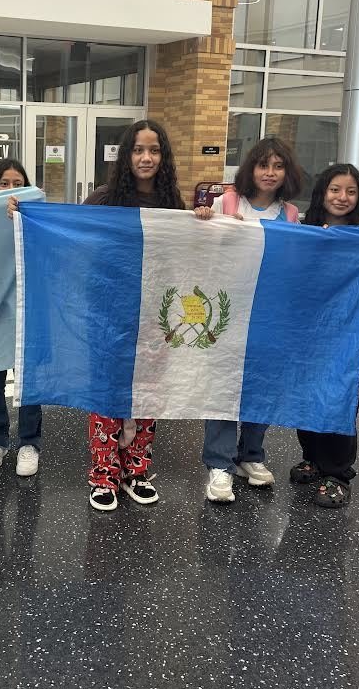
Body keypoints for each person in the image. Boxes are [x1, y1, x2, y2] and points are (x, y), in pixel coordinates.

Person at [193, 137, 303, 505]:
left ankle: (251, 455)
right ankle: (219, 463)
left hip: (269, 313)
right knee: (223, 386)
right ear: (250, 169)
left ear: (286, 172)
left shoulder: (290, 214)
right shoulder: (227, 202)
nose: (269, 173)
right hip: (228, 310)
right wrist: (210, 224)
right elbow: (198, 250)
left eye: (277, 166)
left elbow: (293, 264)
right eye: (262, 165)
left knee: (261, 385)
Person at [84, 120, 185, 511]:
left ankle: (136, 471)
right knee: (108, 394)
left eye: (154, 150)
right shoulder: (103, 200)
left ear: (163, 156)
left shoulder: (173, 204)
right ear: (126, 155)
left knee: (148, 394)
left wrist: (210, 224)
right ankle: (103, 475)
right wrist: (22, 215)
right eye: (138, 150)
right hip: (109, 315)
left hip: (156, 318)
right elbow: (71, 237)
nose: (146, 158)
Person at [290, 164, 359, 508]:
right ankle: (313, 459)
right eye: (336, 189)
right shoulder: (306, 229)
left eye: (351, 191)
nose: (342, 197)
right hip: (310, 335)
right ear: (323, 192)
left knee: (340, 399)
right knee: (309, 398)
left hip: (349, 337)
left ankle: (337, 473)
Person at [0, 159, 43, 476]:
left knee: (28, 379)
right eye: (3, 183)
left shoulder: (36, 215)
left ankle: (29, 443)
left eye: (17, 182)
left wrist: (27, 220)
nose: (10, 189)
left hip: (26, 307)